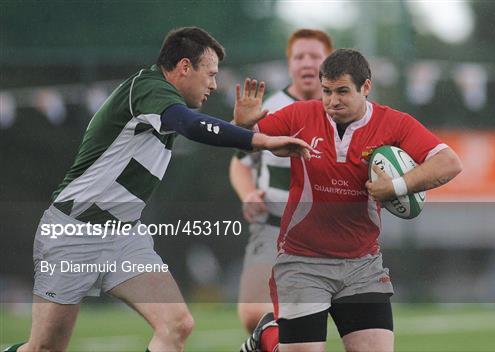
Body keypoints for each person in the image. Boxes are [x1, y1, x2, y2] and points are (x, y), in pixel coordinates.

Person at [4, 27, 313, 352]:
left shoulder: (165, 105)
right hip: (73, 232)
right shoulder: (148, 89)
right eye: (210, 74)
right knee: (45, 348)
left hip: (124, 237)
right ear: (183, 67)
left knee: (177, 325)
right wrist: (261, 141)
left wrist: (241, 129)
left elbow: (200, 128)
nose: (213, 84)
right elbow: (193, 125)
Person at [235, 49, 463, 352]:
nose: (333, 100)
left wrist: (396, 186)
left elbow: (449, 163)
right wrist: (241, 126)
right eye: (327, 91)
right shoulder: (301, 115)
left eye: (342, 91)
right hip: (302, 261)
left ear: (365, 87)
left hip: (361, 266)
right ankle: (267, 336)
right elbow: (245, 140)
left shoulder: (394, 124)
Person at [230, 29, 333, 333]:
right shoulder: (266, 109)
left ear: (330, 63)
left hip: (330, 236)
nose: (306, 63)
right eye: (299, 56)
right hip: (273, 226)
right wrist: (249, 195)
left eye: (315, 56)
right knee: (252, 316)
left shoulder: (344, 110)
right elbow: (239, 165)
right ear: (289, 64)